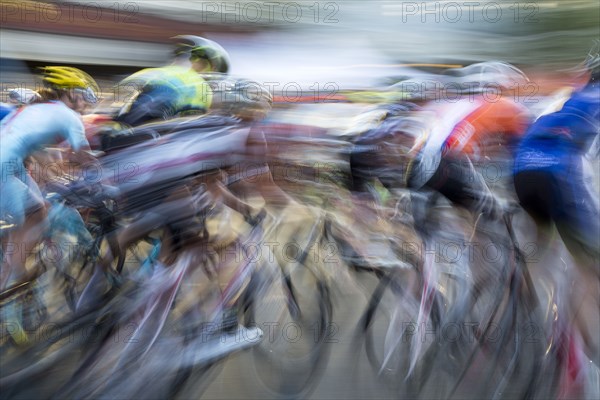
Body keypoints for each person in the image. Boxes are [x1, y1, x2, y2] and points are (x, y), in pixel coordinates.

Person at [1, 66, 100, 343]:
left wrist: (58, 175)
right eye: (83, 96)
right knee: (35, 220)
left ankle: (13, 274)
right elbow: (84, 157)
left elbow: (42, 158)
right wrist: (112, 180)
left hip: (10, 166)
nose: (84, 104)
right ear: (70, 93)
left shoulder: (35, 110)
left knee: (38, 208)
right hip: (6, 169)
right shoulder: (68, 116)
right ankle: (9, 289)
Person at [114, 35, 229, 127]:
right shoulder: (201, 89)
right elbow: (189, 126)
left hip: (126, 124)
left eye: (194, 57)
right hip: (147, 134)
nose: (192, 60)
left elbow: (121, 95)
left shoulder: (161, 71)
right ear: (213, 67)